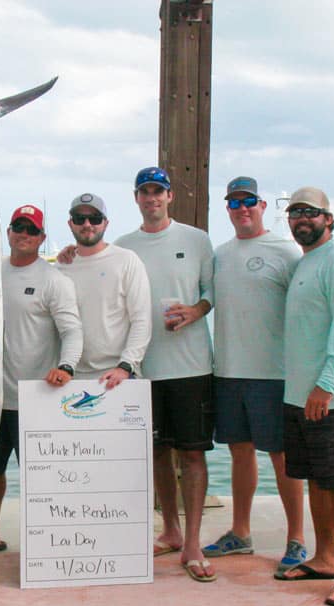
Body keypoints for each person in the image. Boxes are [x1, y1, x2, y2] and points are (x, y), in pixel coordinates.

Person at [0, 204, 82, 559]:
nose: (24, 234)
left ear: (41, 237)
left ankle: (48, 538)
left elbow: (72, 331)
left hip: (38, 398)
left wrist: (67, 367)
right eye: (18, 227)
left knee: (42, 476)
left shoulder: (54, 280)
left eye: (32, 230)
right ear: (8, 232)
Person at [114, 167, 216, 583]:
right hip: (143, 368)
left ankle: (192, 543)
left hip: (192, 367)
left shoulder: (197, 239)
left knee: (192, 454)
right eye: (145, 192)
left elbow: (213, 293)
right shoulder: (122, 246)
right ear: (135, 197)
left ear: (170, 197)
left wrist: (196, 311)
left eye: (159, 191)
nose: (151, 198)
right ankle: (170, 530)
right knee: (156, 453)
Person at [202, 176, 307, 576]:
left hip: (274, 375)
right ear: (227, 209)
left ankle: (296, 538)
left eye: (248, 201)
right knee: (239, 452)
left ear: (262, 206)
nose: (241, 208)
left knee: (282, 457)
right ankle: (240, 533)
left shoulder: (286, 251)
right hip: (228, 371)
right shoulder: (221, 254)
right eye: (233, 203)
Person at [275, 186, 334, 606]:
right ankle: (325, 557)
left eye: (310, 212)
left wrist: (325, 386)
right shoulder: (305, 263)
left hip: (330, 398)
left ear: (329, 219)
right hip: (298, 396)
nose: (301, 219)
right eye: (294, 212)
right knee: (314, 479)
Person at [55, 193, 151, 390]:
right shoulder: (60, 268)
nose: (87, 224)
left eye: (95, 219)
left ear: (106, 223)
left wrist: (126, 366)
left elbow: (142, 319)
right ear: (70, 224)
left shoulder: (127, 260)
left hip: (118, 377)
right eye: (80, 219)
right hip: (70, 377)